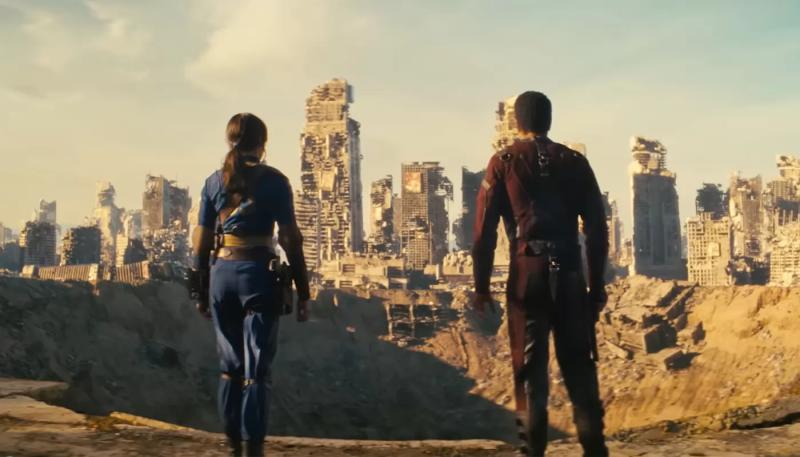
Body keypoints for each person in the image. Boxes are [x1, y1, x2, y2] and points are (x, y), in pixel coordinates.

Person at [471, 92, 609, 457]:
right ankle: (595, 451)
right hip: (570, 273)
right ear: (549, 119)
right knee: (580, 369)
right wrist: (596, 287)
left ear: (517, 122)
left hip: (526, 274)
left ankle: (532, 452)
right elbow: (597, 229)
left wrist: (481, 287)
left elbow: (483, 234)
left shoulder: (502, 162)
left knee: (529, 374)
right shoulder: (575, 162)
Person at [189, 112, 311, 457]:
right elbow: (291, 239)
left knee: (229, 367)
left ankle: (231, 446)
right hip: (258, 276)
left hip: (221, 277)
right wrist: (303, 291)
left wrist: (199, 290)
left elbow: (201, 241)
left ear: (230, 142)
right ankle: (253, 447)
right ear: (263, 144)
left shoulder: (213, 183)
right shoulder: (276, 182)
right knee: (256, 369)